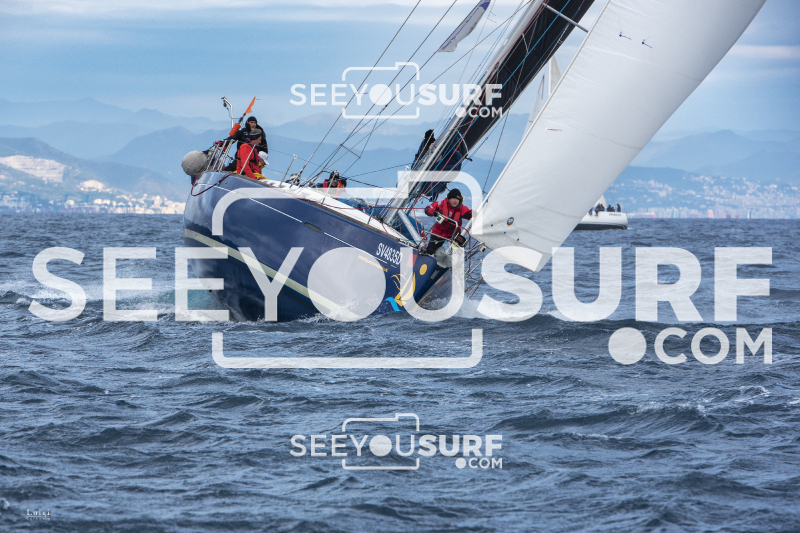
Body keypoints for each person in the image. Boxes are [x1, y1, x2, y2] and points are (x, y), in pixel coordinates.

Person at [423, 188, 472, 256]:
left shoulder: (462, 209)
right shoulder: (441, 204)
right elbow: (428, 209)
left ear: (460, 200)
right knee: (431, 251)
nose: (455, 200)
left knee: (457, 249)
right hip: (438, 233)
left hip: (452, 234)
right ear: (449, 199)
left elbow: (471, 214)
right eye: (453, 198)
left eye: (457, 199)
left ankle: (452, 259)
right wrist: (434, 212)